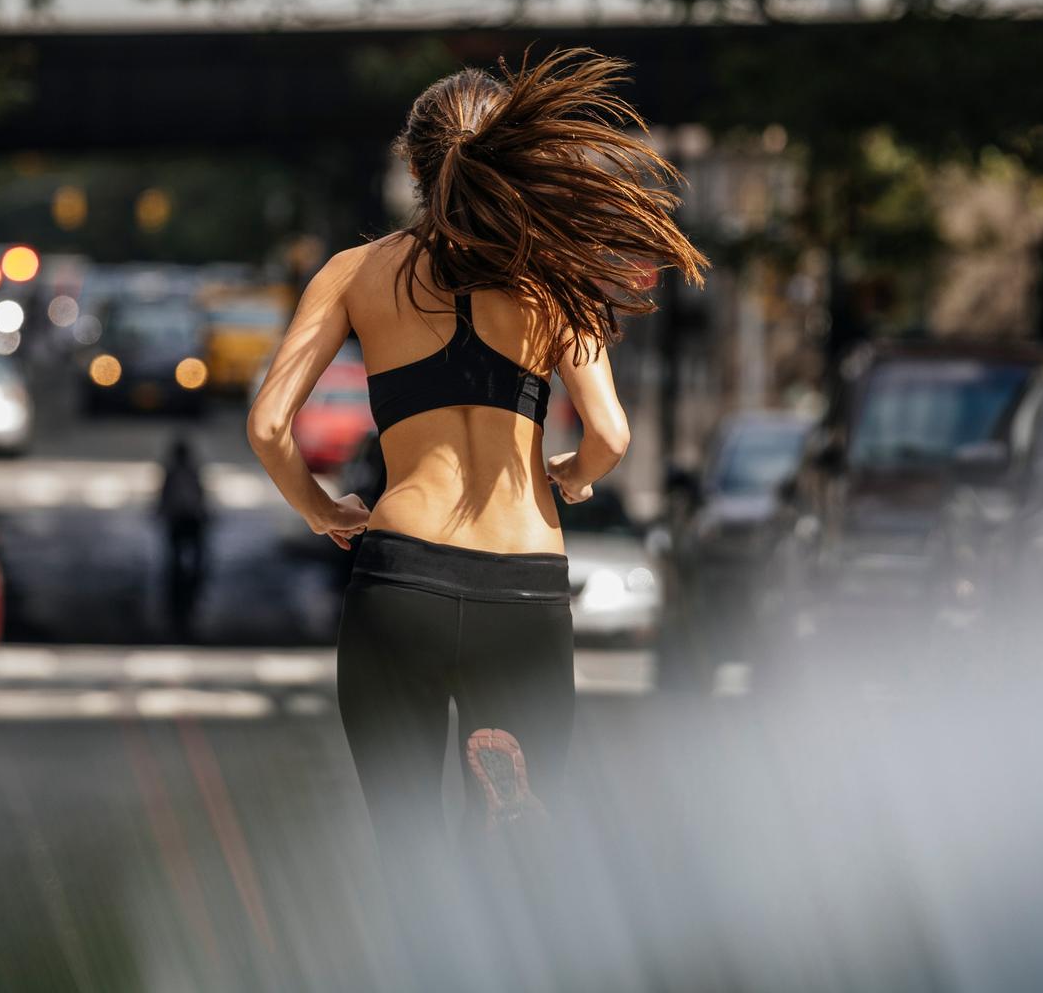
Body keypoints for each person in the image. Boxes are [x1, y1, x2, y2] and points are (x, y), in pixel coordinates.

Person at [246, 49, 705, 967]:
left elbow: (268, 424)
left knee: (406, 843)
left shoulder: (356, 273)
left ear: (413, 168)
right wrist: (566, 478)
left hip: (402, 576)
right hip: (522, 588)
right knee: (529, 854)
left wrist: (325, 509)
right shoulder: (551, 279)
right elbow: (609, 435)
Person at [155, 434, 210, 639]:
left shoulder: (182, 473)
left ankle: (184, 600)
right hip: (184, 521)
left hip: (184, 521)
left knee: (185, 563)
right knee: (179, 563)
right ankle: (180, 602)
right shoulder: (185, 473)